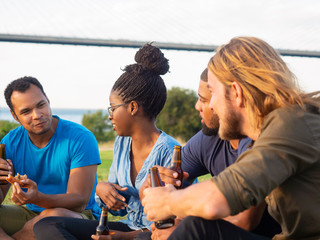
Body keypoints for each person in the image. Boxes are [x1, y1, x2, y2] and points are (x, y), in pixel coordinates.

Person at [142, 37, 320, 240]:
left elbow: (224, 195)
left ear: (236, 92)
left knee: (196, 230)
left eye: (212, 93)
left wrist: (168, 201)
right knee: (198, 228)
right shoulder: (277, 128)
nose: (210, 106)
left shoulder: (290, 123)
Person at [33, 43, 180, 240]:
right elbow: (119, 210)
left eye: (113, 108)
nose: (110, 116)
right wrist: (103, 191)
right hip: (128, 226)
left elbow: (178, 224)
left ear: (133, 107)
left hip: (152, 236)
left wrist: (123, 238)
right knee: (47, 225)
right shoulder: (122, 143)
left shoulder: (170, 152)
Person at [141, 68, 280, 240]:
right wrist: (155, 185)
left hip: (268, 235)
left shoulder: (258, 138)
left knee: (194, 228)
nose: (198, 106)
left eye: (205, 98)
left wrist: (176, 215)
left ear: (235, 96)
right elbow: (155, 194)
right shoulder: (208, 139)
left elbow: (244, 219)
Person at [0, 77, 101, 240]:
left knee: (50, 218)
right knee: (42, 220)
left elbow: (79, 201)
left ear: (47, 99)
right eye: (26, 111)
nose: (37, 115)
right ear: (14, 115)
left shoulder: (81, 138)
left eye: (41, 105)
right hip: (30, 213)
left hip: (78, 217)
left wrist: (37, 197)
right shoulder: (10, 142)